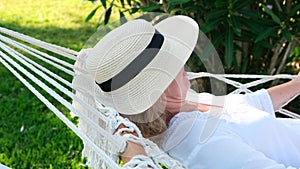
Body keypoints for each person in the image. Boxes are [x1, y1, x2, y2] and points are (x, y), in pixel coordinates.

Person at [83, 15, 300, 168]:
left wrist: (296, 84)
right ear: (155, 93)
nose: (183, 64)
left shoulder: (187, 105)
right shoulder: (201, 143)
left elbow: (248, 105)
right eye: (170, 64)